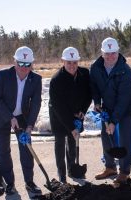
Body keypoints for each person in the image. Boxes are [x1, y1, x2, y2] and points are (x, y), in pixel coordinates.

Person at [0, 46, 42, 195]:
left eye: (27, 64)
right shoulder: (2, 75)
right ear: (14, 61)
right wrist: (10, 117)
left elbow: (36, 104)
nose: (23, 67)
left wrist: (29, 126)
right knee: (3, 151)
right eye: (20, 63)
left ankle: (29, 182)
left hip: (22, 117)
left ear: (31, 64)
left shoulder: (36, 79)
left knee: (26, 149)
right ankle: (10, 184)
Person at [90, 37, 131, 184]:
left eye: (113, 53)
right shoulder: (96, 67)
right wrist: (97, 102)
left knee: (124, 139)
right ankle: (110, 167)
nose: (110, 57)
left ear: (118, 52)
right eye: (107, 53)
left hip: (126, 108)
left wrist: (113, 121)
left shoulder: (126, 72)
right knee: (106, 136)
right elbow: (94, 87)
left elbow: (123, 101)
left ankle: (124, 171)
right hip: (107, 107)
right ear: (102, 53)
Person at [49, 47, 91, 183]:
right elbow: (59, 107)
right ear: (63, 61)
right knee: (60, 142)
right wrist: (71, 127)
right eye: (69, 62)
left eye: (74, 62)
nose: (72, 66)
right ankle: (61, 174)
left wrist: (82, 111)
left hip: (76, 113)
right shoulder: (56, 80)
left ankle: (72, 169)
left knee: (72, 142)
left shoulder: (84, 74)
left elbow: (88, 95)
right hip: (58, 114)